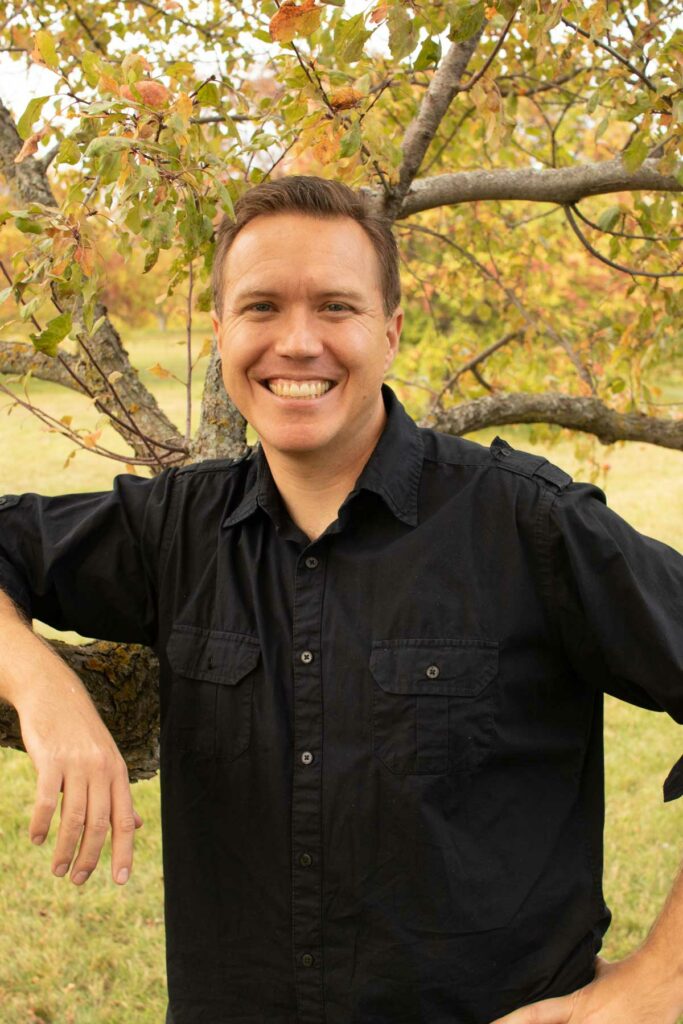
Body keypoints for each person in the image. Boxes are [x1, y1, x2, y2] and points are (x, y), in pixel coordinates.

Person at [0, 175, 681, 1024]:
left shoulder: (525, 523)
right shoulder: (174, 528)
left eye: (334, 307)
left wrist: (657, 984)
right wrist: (38, 681)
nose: (296, 342)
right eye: (260, 308)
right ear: (220, 334)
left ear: (388, 332)